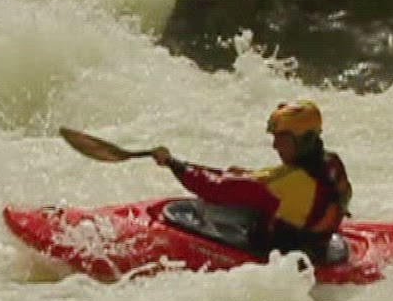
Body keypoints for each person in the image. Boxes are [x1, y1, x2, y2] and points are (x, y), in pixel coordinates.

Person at [150, 99, 353, 265]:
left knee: (210, 207)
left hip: (283, 251)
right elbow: (278, 182)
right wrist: (246, 176)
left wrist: (173, 163)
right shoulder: (330, 162)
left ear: (303, 140)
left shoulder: (290, 183)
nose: (275, 145)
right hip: (318, 246)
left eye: (282, 139)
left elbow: (213, 188)